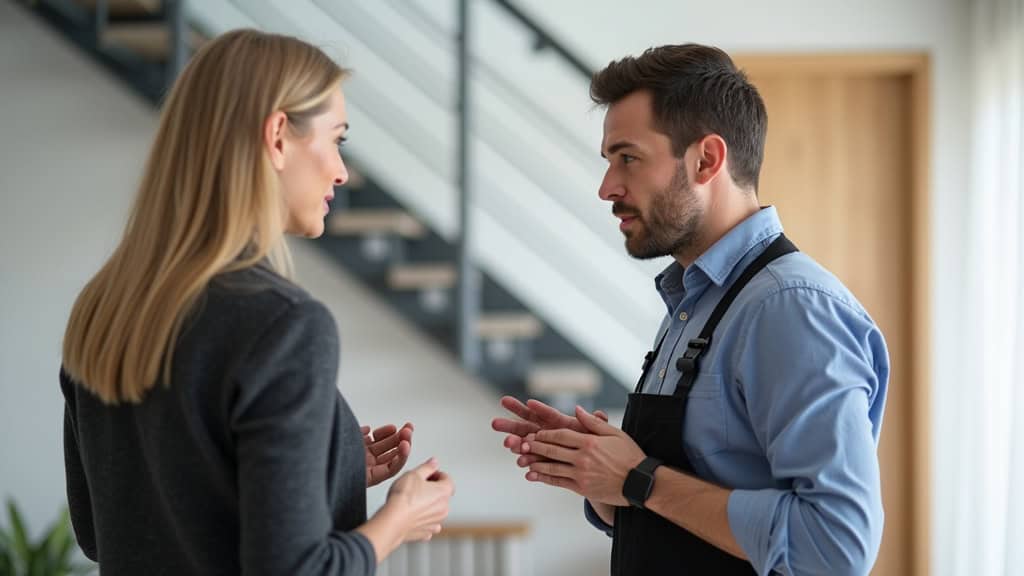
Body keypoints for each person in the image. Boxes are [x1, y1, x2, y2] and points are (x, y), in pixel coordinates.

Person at [59, 29, 454, 575]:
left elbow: (105, 531)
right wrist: (398, 520)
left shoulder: (105, 311)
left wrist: (327, 470)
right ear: (276, 137)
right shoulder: (286, 325)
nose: (342, 170)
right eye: (337, 138)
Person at [493, 44, 888, 576]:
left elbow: (835, 548)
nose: (607, 187)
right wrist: (603, 476)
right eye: (608, 162)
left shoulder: (789, 309)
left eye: (627, 158)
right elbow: (697, 498)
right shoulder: (697, 299)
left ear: (706, 159)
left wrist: (640, 479)